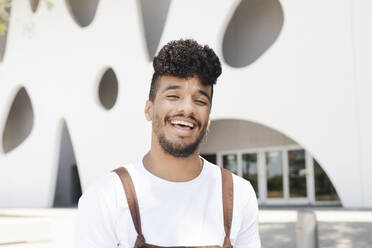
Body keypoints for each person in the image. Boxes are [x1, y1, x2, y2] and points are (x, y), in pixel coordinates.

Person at [75, 39, 261, 248]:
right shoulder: (106, 197)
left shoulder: (238, 195)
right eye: (173, 96)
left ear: (208, 120)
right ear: (149, 109)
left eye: (200, 101)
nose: (187, 109)